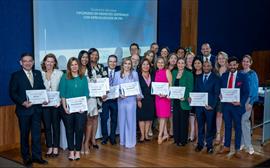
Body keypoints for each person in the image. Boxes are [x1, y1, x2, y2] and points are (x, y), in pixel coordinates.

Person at [9, 53, 48, 167]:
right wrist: (23, 102)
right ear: (21, 63)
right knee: (24, 135)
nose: (28, 63)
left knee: (36, 135)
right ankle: (26, 157)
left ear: (33, 62)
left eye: (30, 60)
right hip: (23, 111)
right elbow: (13, 93)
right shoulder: (16, 75)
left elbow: (42, 88)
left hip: (36, 110)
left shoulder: (37, 73)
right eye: (25, 61)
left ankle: (37, 157)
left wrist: (44, 99)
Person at [218, 56, 249, 158]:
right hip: (226, 106)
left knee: (238, 127)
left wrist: (240, 102)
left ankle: (237, 149)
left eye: (234, 65)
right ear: (228, 65)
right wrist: (220, 95)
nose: (232, 66)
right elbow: (220, 89)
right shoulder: (224, 76)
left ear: (237, 65)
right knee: (227, 126)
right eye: (230, 65)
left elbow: (246, 92)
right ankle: (226, 146)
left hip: (237, 106)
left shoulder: (243, 76)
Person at [59, 57, 89, 161]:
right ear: (69, 66)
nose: (74, 66)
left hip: (81, 109)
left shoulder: (83, 78)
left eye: (76, 64)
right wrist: (64, 106)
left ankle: (78, 151)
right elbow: (62, 93)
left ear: (78, 66)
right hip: (68, 109)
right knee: (69, 130)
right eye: (72, 65)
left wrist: (83, 107)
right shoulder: (64, 77)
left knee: (80, 129)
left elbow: (86, 94)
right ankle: (71, 151)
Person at [113, 58, 142, 148]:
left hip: (132, 101)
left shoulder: (135, 74)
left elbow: (137, 86)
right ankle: (123, 140)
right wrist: (119, 95)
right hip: (121, 101)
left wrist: (139, 99)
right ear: (122, 65)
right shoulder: (117, 74)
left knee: (131, 120)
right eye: (125, 63)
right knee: (122, 120)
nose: (127, 65)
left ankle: (130, 141)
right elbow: (114, 88)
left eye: (129, 63)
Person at [83, 48, 106, 153]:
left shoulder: (101, 67)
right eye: (92, 55)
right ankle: (86, 141)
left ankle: (93, 139)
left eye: (96, 55)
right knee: (88, 119)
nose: (94, 57)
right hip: (88, 97)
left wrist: (104, 92)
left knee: (96, 117)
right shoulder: (84, 67)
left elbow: (105, 81)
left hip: (99, 97)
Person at [194, 61, 220, 154]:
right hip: (199, 107)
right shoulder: (198, 78)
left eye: (208, 65)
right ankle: (200, 144)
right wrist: (191, 98)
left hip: (210, 107)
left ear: (211, 67)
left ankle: (209, 146)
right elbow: (195, 91)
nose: (205, 67)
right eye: (204, 66)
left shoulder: (216, 78)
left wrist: (212, 106)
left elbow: (217, 94)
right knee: (200, 126)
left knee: (210, 127)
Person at [41, 53, 63, 157]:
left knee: (56, 126)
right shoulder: (39, 74)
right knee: (47, 126)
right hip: (44, 105)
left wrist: (58, 101)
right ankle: (49, 147)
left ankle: (56, 147)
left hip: (56, 105)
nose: (49, 63)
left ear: (55, 63)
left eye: (52, 61)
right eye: (48, 61)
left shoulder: (59, 73)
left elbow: (62, 89)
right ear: (44, 62)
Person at [171, 58, 193, 146]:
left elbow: (190, 87)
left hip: (184, 101)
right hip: (175, 101)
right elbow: (171, 85)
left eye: (182, 63)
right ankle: (176, 139)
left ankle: (183, 140)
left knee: (183, 121)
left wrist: (186, 97)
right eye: (179, 63)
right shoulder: (174, 73)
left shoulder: (189, 74)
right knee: (176, 120)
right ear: (177, 64)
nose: (180, 64)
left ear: (185, 64)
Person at [240, 54, 259, 155]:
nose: (245, 63)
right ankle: (242, 143)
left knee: (245, 121)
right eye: (244, 61)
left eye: (247, 61)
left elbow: (254, 89)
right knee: (240, 121)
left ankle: (249, 145)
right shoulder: (239, 73)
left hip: (248, 100)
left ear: (250, 63)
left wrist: (251, 103)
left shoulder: (253, 74)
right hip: (239, 100)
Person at [100, 55, 120, 145]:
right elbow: (98, 84)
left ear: (116, 62)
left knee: (114, 119)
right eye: (111, 61)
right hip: (105, 99)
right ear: (107, 62)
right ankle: (104, 137)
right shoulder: (102, 70)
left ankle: (112, 137)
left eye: (114, 61)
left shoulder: (119, 71)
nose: (112, 63)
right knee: (104, 119)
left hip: (115, 99)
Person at [154, 57, 172, 144]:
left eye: (162, 62)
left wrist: (166, 94)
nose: (160, 64)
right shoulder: (156, 72)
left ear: (164, 63)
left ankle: (160, 135)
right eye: (158, 62)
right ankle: (165, 134)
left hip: (165, 98)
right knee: (160, 116)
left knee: (163, 117)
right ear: (156, 63)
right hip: (157, 97)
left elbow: (170, 85)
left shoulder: (167, 71)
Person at [137, 58, 155, 142]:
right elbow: (136, 89)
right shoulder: (137, 76)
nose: (145, 66)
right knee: (141, 118)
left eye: (147, 64)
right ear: (140, 66)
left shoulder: (153, 75)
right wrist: (138, 100)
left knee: (149, 118)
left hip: (151, 100)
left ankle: (147, 135)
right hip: (141, 100)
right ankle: (142, 136)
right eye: (143, 64)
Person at [214, 51, 228, 145]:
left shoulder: (230, 69)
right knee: (218, 115)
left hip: (228, 97)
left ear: (226, 59)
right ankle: (218, 134)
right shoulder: (215, 70)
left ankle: (226, 137)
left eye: (223, 58)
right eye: (219, 58)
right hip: (218, 96)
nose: (221, 60)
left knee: (227, 117)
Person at [167, 53, 178, 137]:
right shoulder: (164, 68)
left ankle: (172, 129)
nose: (173, 60)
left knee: (172, 112)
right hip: (164, 93)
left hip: (174, 94)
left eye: (175, 58)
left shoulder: (178, 70)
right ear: (168, 59)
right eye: (171, 58)